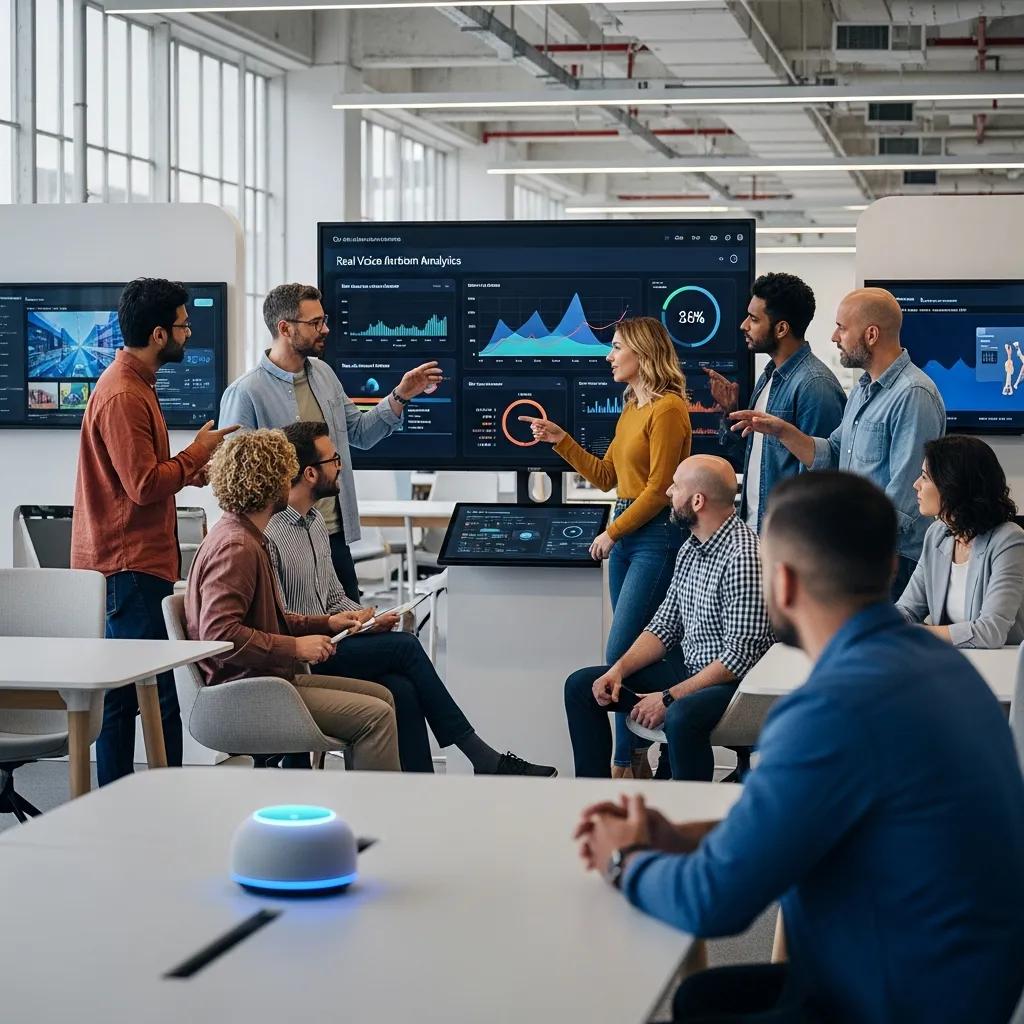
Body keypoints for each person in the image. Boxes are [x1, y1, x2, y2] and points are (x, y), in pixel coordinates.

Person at [574, 471, 1024, 1024]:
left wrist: (623, 860)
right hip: (964, 984)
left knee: (697, 1002)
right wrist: (680, 837)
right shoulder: (942, 668)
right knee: (700, 998)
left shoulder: (829, 709)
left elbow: (714, 902)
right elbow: (800, 821)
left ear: (782, 585)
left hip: (899, 999)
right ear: (889, 568)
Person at [265, 420, 557, 777]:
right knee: (405, 647)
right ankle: (480, 755)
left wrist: (367, 619)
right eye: (334, 460)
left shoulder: (315, 524)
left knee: (402, 688)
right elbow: (278, 617)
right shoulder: (271, 533)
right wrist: (333, 625)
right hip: (308, 654)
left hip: (335, 641)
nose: (341, 466)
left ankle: (426, 785)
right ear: (310, 473)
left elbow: (334, 597)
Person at [70, 277, 238, 786]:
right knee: (150, 694)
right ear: (159, 334)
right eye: (184, 325)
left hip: (131, 561)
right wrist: (196, 454)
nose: (190, 333)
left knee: (128, 694)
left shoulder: (134, 384)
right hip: (129, 564)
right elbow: (143, 486)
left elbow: (141, 478)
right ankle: (157, 797)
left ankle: (126, 798)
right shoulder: (124, 394)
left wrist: (188, 470)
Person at [523, 316, 692, 778]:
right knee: (636, 653)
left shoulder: (669, 409)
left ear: (642, 352)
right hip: (628, 531)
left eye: (617, 347)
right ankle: (647, 753)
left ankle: (626, 760)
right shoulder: (632, 407)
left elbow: (659, 491)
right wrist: (561, 441)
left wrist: (612, 532)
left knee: (622, 653)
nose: (608, 356)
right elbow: (606, 477)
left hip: (655, 535)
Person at [185, 429, 401, 771]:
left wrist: (326, 623)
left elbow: (264, 617)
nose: (292, 482)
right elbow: (220, 635)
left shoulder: (243, 535)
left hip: (262, 680)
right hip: (247, 692)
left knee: (383, 697)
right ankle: (375, 802)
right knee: (375, 716)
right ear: (271, 483)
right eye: (287, 475)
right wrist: (295, 647)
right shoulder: (237, 547)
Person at [218, 283, 443, 601]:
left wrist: (401, 395)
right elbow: (236, 485)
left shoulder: (324, 375)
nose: (325, 329)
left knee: (353, 623)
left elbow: (361, 433)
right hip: (281, 542)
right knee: (300, 626)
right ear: (285, 328)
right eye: (315, 323)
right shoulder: (245, 393)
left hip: (333, 535)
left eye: (323, 320)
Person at [563, 455, 773, 782]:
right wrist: (618, 670)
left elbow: (738, 660)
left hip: (734, 686)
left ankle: (688, 808)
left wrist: (668, 697)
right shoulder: (691, 548)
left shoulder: (744, 556)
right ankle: (595, 797)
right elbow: (663, 626)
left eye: (675, 486)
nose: (669, 492)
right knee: (581, 687)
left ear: (697, 501)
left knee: (680, 715)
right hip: (692, 671)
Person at [730, 287, 945, 597]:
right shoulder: (862, 390)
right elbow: (832, 453)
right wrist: (782, 431)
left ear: (871, 335)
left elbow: (905, 500)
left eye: (842, 328)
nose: (834, 337)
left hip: (889, 559)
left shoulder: (913, 394)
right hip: (859, 556)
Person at [705, 272, 845, 532]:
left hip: (790, 538)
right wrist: (731, 412)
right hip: (757, 531)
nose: (744, 325)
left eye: (754, 319)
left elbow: (822, 477)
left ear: (781, 329)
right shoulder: (769, 376)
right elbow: (756, 459)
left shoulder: (815, 385)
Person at [898, 434, 1024, 647]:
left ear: (952, 485)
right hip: (952, 659)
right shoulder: (937, 534)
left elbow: (990, 632)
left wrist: (916, 633)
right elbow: (908, 609)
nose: (916, 485)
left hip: (1002, 663)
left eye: (925, 477)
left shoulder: (1009, 540)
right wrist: (882, 623)